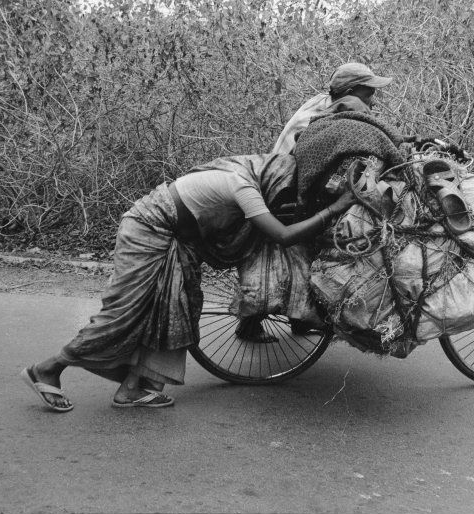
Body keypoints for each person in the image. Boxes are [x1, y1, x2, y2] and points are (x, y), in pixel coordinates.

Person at [21, 155, 355, 411]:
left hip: (176, 239)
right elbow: (281, 235)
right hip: (148, 229)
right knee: (121, 315)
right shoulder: (244, 187)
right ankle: (47, 369)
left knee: (176, 310)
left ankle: (134, 388)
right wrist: (335, 209)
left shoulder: (245, 170)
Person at [270, 62, 392, 155]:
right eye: (368, 95)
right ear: (349, 94)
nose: (373, 102)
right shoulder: (318, 125)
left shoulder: (325, 100)